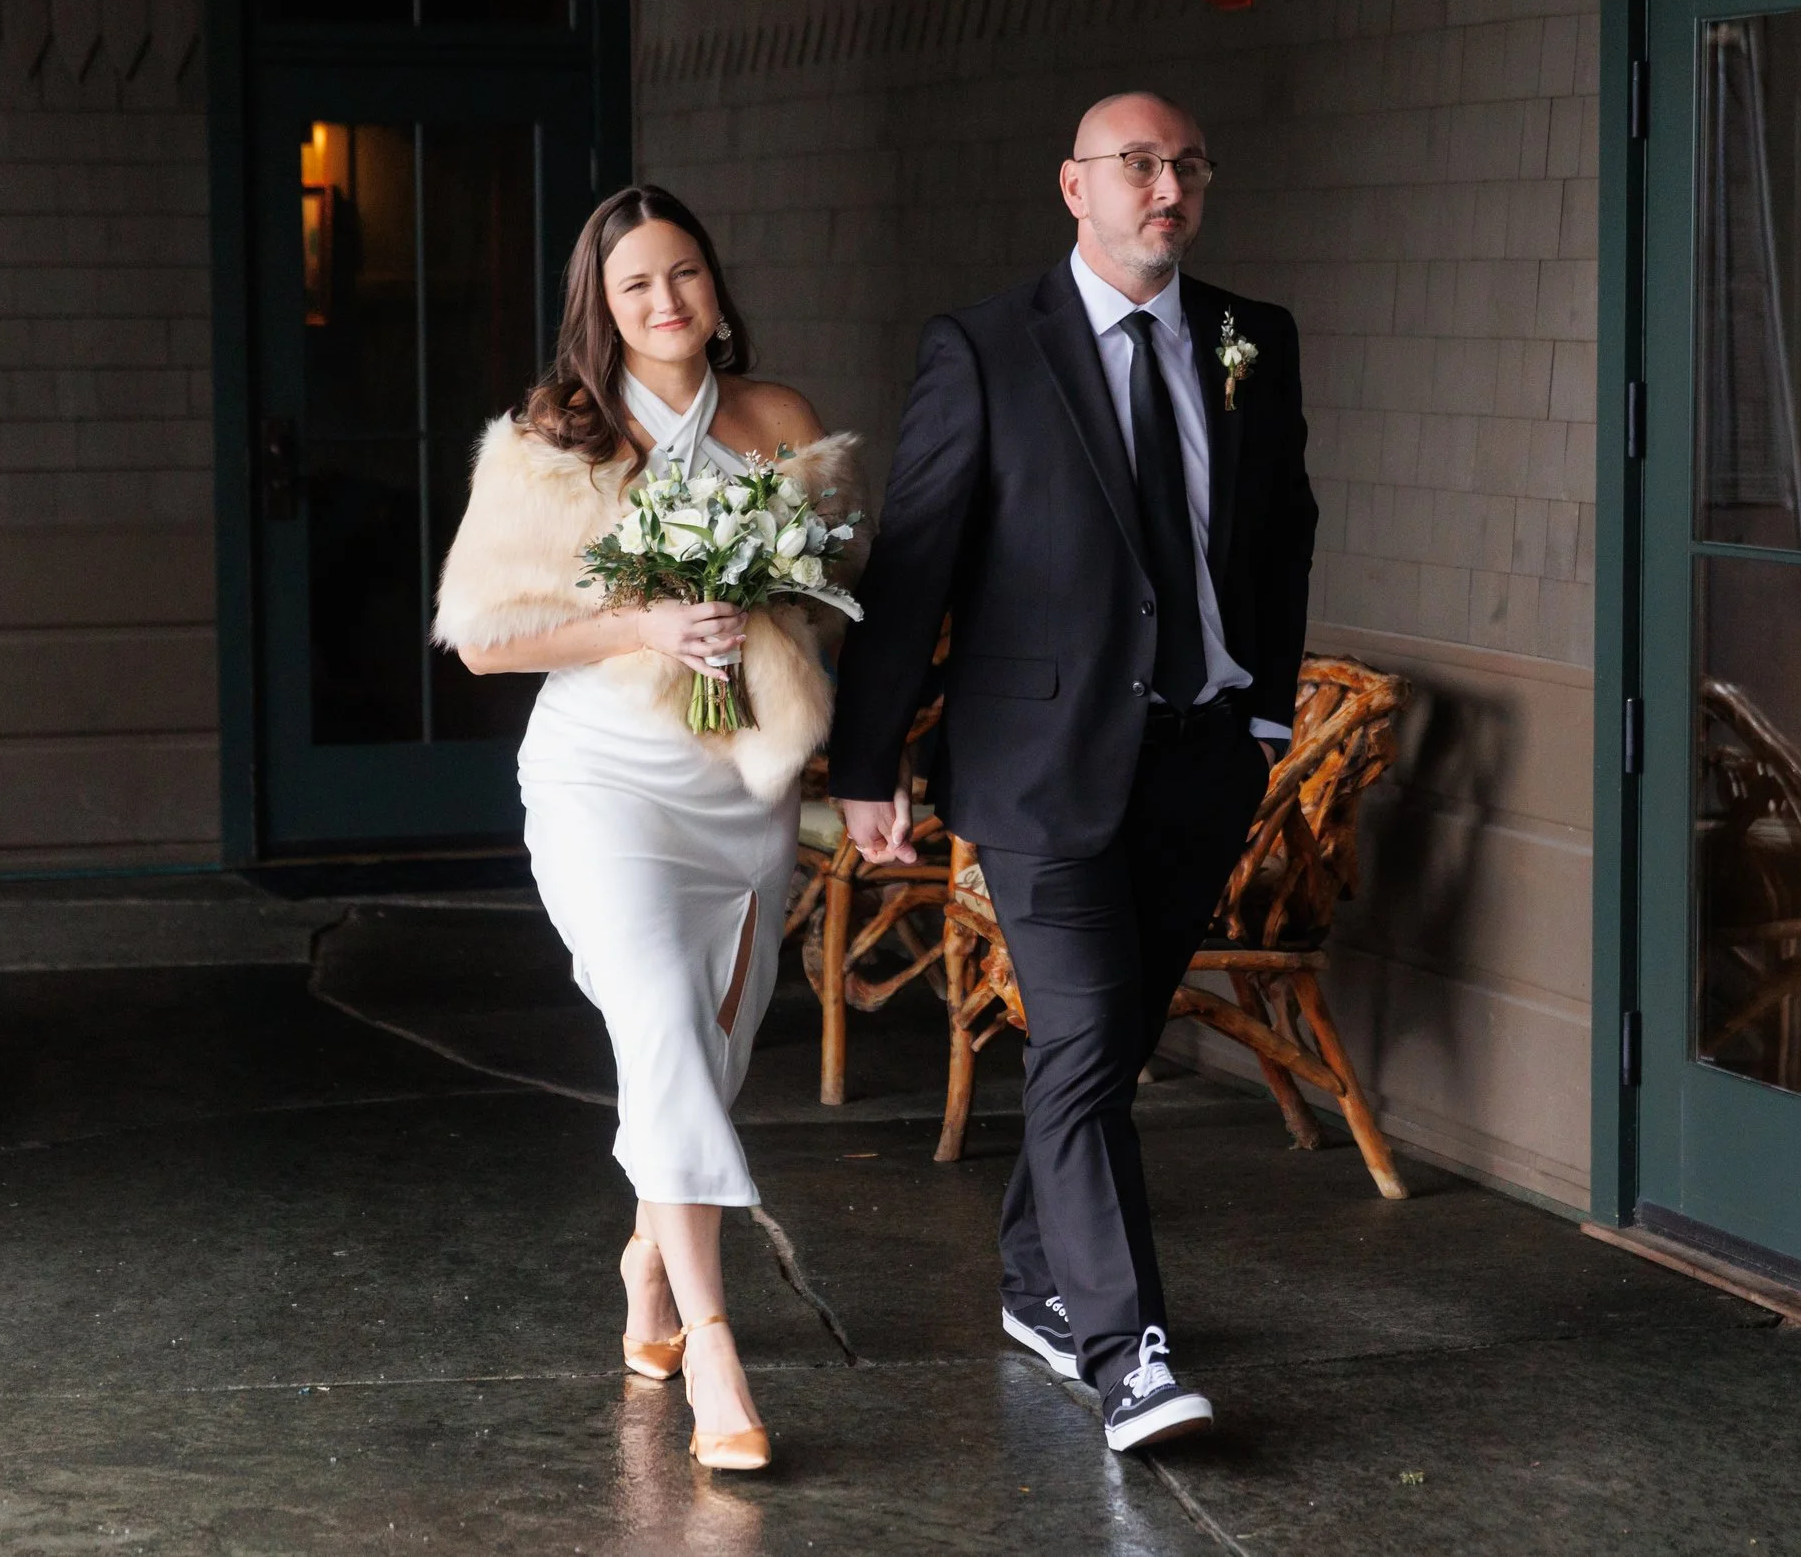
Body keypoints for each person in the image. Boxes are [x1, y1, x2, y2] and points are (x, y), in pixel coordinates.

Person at [826, 92, 1317, 1452]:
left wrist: (1266, 718)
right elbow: (915, 558)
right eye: (1139, 164)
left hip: (1203, 762)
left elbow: (1284, 529)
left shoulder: (1253, 339)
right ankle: (1128, 1354)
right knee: (1093, 1036)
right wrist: (868, 758)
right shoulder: (985, 349)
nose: (1169, 189)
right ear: (1074, 185)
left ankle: (1040, 1278)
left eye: (1188, 167)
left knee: (1100, 1046)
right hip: (1038, 767)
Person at [431, 184, 862, 1472]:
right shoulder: (552, 438)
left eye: (684, 274)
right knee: (662, 1022)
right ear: (601, 309)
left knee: (712, 1055)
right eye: (635, 285)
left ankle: (648, 1258)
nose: (665, 301)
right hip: (605, 783)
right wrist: (642, 623)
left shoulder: (780, 421)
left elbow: (832, 593)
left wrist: (764, 612)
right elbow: (485, 642)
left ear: (714, 287)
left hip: (741, 792)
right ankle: (717, 1344)